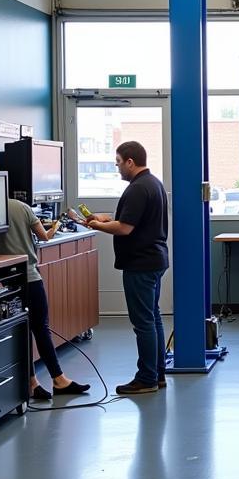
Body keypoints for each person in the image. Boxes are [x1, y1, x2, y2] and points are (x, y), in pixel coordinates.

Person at [0, 148, 90, 401]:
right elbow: (42, 237)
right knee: (40, 328)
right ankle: (59, 379)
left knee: (18, 328)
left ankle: (32, 382)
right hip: (28, 276)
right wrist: (54, 226)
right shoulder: (19, 207)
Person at [80, 141, 169, 396]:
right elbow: (130, 220)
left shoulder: (138, 189)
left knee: (143, 323)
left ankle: (146, 378)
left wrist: (97, 226)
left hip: (140, 264)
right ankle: (157, 374)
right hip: (155, 259)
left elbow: (125, 228)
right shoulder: (153, 184)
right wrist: (107, 218)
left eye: (118, 162)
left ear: (130, 162)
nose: (118, 168)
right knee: (153, 318)